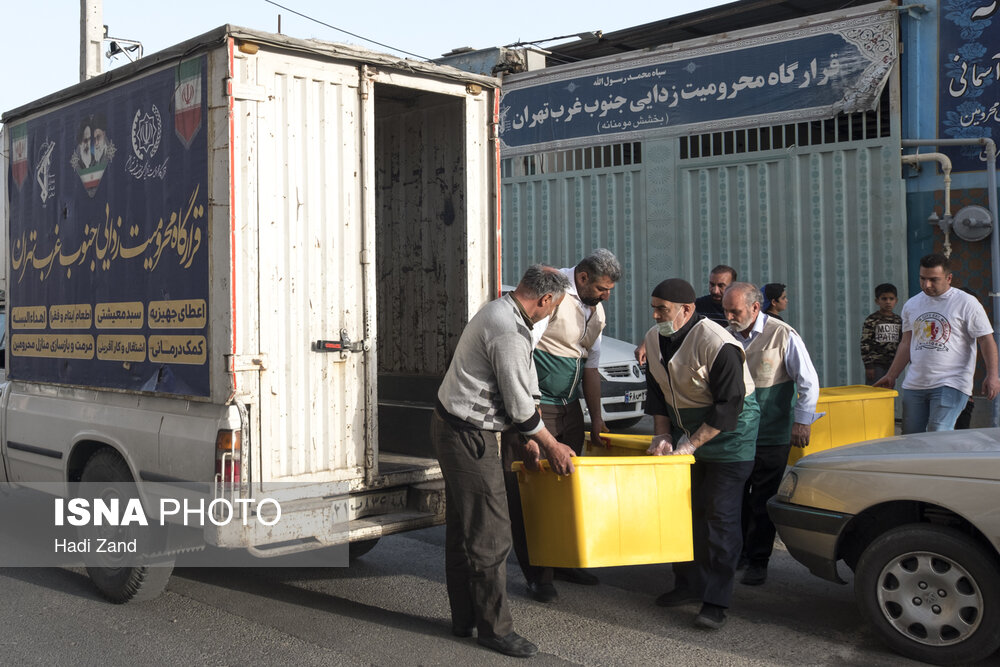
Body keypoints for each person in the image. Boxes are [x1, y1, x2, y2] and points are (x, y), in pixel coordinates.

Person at [432, 265, 578, 659]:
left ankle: (466, 620)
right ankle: (494, 630)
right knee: (491, 533)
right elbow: (518, 403)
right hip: (467, 433)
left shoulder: (507, 311)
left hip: (462, 426)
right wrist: (550, 445)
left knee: (466, 526)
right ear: (544, 299)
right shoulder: (509, 331)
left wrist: (528, 441)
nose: (553, 314)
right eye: (555, 307)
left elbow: (520, 389)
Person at [502, 249, 621, 602]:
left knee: (567, 489)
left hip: (571, 411)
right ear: (582, 278)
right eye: (602, 288)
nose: (606, 296)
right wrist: (529, 424)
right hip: (541, 410)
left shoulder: (595, 309)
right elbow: (523, 354)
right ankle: (539, 574)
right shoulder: (552, 295)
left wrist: (597, 419)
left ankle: (564, 559)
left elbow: (591, 366)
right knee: (533, 494)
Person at [643, 278, 759, 631]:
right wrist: (662, 433)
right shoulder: (653, 337)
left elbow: (729, 405)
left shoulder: (717, 343)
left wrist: (692, 444)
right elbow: (657, 392)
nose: (656, 314)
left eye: (663, 309)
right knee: (683, 513)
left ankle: (716, 600)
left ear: (687, 310)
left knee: (719, 517)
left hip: (729, 437)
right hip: (684, 433)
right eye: (654, 307)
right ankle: (688, 584)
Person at [721, 282, 819, 586]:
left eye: (734, 311)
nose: (729, 316)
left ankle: (758, 560)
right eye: (725, 310)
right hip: (736, 433)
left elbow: (808, 382)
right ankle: (739, 554)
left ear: (754, 308)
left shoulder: (782, 334)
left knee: (763, 499)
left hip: (772, 432)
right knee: (735, 497)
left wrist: (802, 422)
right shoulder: (724, 335)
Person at [874, 253, 1000, 433]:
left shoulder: (967, 303)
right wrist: (892, 375)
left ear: (949, 278)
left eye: (933, 279)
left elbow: (986, 340)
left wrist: (993, 375)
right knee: (911, 435)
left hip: (951, 382)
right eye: (923, 279)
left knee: (938, 431)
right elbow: (906, 343)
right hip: (915, 383)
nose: (927, 285)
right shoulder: (912, 304)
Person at [635, 265, 736, 363]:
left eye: (721, 286)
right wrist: (646, 344)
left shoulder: (742, 308)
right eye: (712, 284)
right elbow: (669, 322)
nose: (715, 290)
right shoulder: (698, 306)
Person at [860, 283, 902, 385]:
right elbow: (865, 343)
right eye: (884, 299)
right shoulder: (872, 320)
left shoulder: (898, 320)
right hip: (876, 365)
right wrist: (869, 366)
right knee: (875, 391)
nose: (888, 302)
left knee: (888, 391)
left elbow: (902, 342)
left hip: (892, 364)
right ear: (877, 301)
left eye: (891, 299)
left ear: (896, 301)